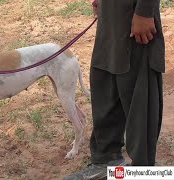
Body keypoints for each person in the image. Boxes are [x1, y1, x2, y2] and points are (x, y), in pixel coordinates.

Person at [63, 0, 165, 179]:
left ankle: (144, 172)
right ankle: (106, 161)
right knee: (105, 82)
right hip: (109, 16)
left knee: (139, 94)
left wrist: (145, 11)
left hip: (136, 16)